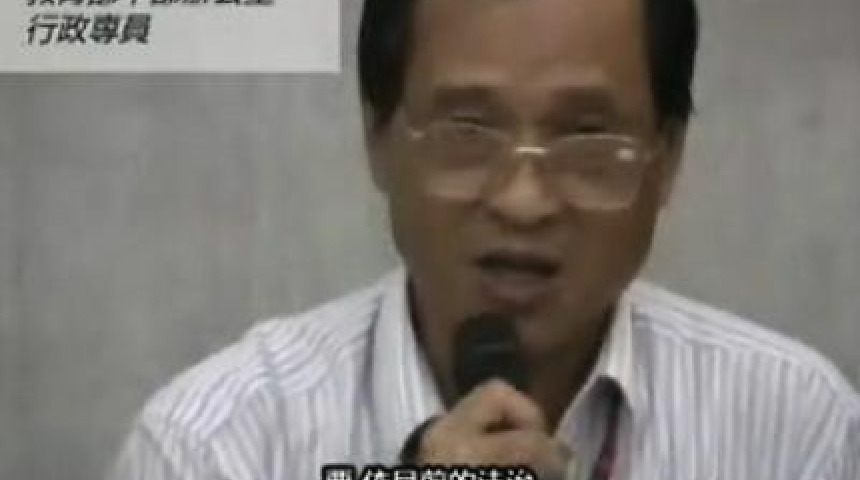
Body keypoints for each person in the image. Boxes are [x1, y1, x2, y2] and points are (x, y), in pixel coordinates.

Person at [111, 0, 860, 478]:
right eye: (468, 131)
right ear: (377, 137)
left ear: (666, 159)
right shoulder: (214, 447)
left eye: (587, 135)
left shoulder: (792, 426)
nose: (523, 202)